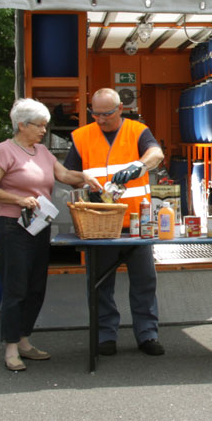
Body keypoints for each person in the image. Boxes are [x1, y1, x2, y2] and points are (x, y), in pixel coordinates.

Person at [0, 98, 101, 372]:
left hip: (38, 225)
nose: (43, 131)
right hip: (13, 225)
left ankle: (24, 340)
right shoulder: (4, 151)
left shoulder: (43, 153)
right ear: (21, 125)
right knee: (16, 286)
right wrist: (18, 199)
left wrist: (86, 177)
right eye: (39, 126)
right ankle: (10, 348)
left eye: (45, 126)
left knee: (36, 286)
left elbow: (65, 175)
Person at [63, 87, 166, 357]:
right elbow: (67, 174)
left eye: (106, 114)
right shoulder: (82, 136)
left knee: (144, 282)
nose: (100, 119)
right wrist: (83, 178)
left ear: (120, 109)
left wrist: (139, 166)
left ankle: (147, 335)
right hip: (100, 223)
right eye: (94, 114)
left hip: (135, 224)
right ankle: (105, 336)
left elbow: (156, 154)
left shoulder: (137, 130)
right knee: (99, 284)